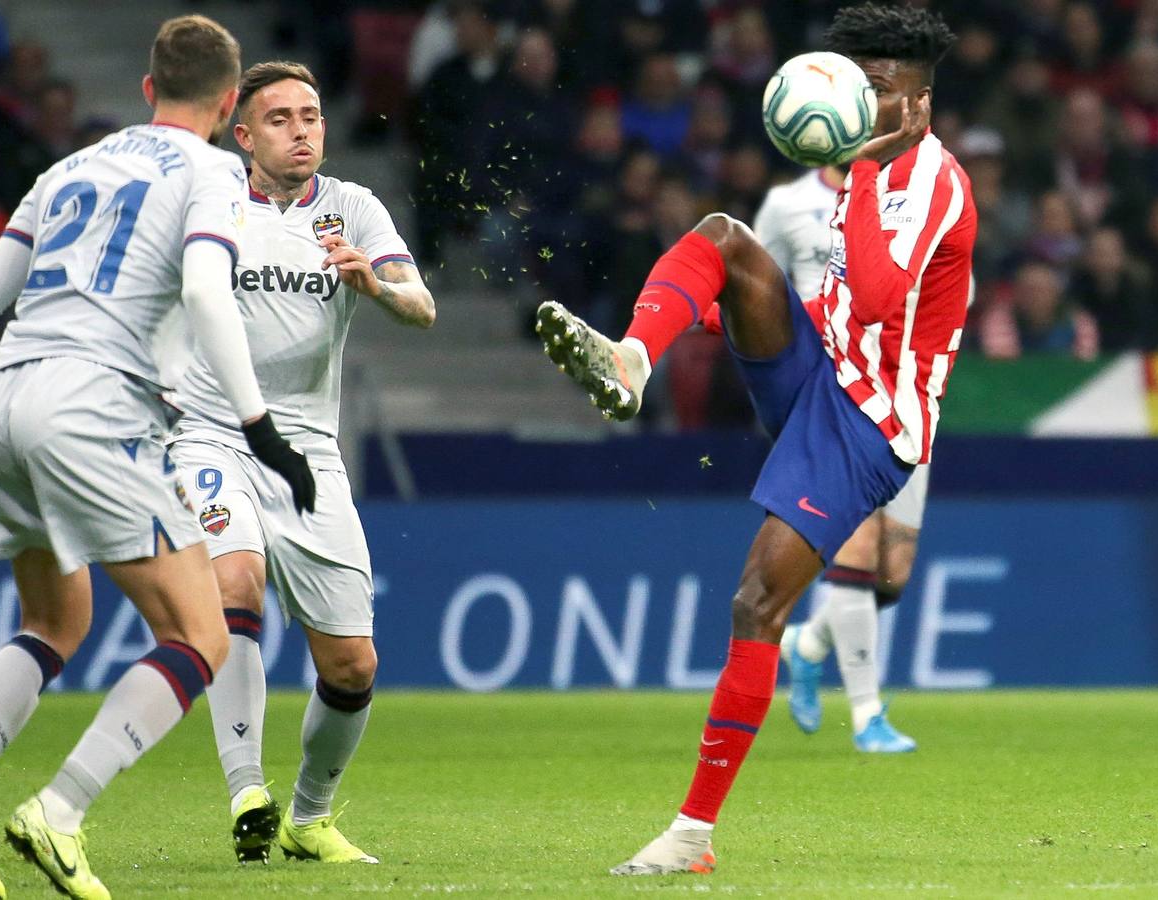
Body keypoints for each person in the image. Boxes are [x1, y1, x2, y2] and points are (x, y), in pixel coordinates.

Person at [535, 4, 974, 875]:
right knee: (723, 241)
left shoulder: (929, 181)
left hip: (869, 421)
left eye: (875, 89)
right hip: (820, 365)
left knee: (755, 604)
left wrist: (859, 166)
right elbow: (845, 303)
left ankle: (691, 835)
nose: (857, 101)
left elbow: (884, 300)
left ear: (917, 104)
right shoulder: (861, 170)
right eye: (850, 85)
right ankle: (630, 359)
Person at [0, 16, 316, 900]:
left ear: (146, 89)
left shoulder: (67, 168)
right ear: (227, 104)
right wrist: (260, 427)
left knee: (54, 623)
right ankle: (59, 811)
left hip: (7, 393)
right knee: (199, 634)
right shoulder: (214, 172)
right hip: (94, 408)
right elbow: (206, 288)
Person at [167, 60, 434, 867]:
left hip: (309, 453)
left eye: (312, 116)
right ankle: (248, 789)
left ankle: (307, 818)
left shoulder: (353, 208)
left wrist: (377, 285)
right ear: (242, 136)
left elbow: (420, 304)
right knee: (235, 580)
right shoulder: (207, 205)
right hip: (211, 433)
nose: (302, 131)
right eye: (280, 119)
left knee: (352, 666)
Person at [753, 164, 925, 753]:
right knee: (854, 553)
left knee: (892, 574)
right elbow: (759, 289)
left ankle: (807, 647)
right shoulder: (787, 203)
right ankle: (866, 716)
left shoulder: (920, 194)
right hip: (828, 395)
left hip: (906, 395)